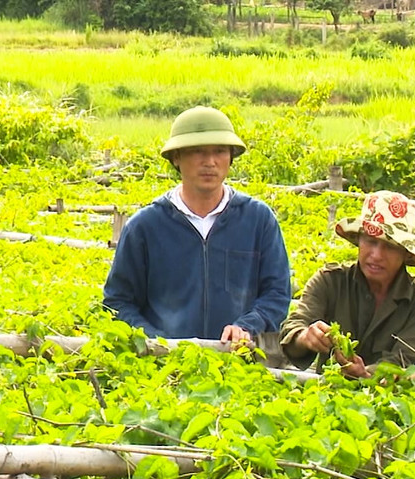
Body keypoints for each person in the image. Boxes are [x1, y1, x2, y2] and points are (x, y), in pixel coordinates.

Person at [103, 106, 291, 343]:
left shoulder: (258, 220)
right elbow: (118, 302)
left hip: (241, 366)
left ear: (231, 157)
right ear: (176, 157)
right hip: (163, 369)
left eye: (220, 151)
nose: (210, 162)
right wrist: (157, 342)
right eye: (197, 151)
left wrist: (246, 327)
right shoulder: (145, 227)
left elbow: (277, 294)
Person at [280, 191, 415, 378]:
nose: (376, 255)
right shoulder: (330, 281)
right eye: (370, 241)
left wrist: (367, 374)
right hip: (327, 395)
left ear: (406, 253)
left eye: (389, 246)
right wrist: (304, 337)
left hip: (389, 400)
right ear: (359, 239)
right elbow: (294, 326)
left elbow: (404, 360)